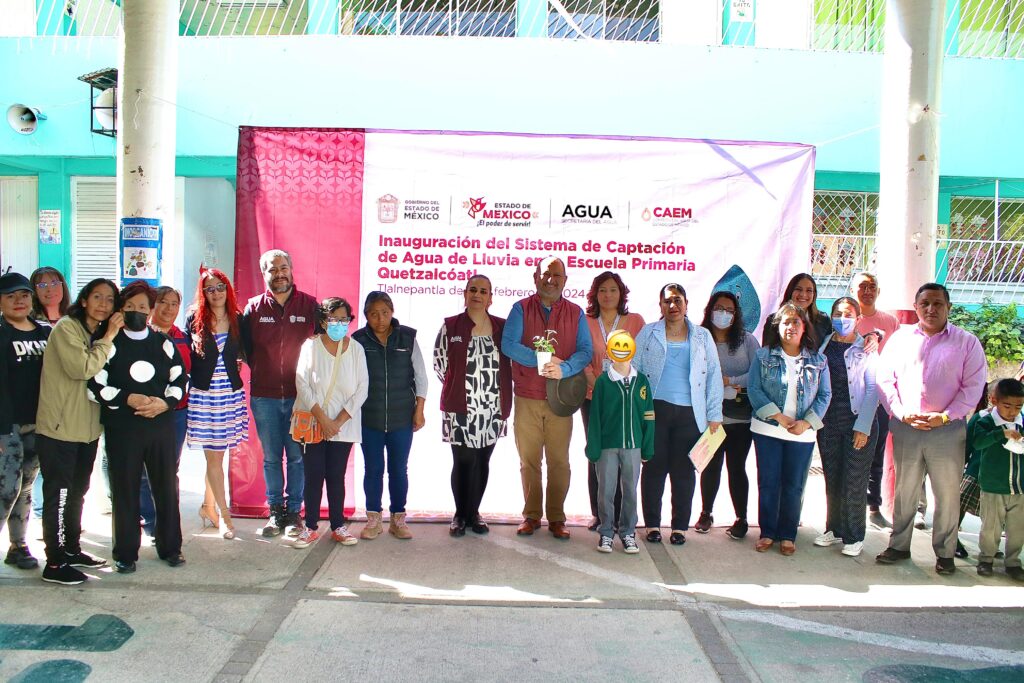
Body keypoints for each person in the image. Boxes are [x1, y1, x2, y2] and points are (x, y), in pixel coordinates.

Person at [875, 283, 987, 575]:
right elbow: (885, 380)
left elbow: (973, 387)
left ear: (948, 307)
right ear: (916, 307)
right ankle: (899, 546)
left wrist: (946, 416)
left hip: (947, 431)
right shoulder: (900, 339)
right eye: (924, 304)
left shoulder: (967, 342)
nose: (931, 309)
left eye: (938, 303)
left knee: (947, 494)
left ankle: (946, 553)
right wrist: (900, 412)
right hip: (907, 427)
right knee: (905, 491)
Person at [87, 281, 188, 573]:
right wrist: (127, 398)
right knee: (125, 490)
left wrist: (165, 404)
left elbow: (180, 380)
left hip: (160, 427)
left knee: (167, 488)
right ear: (120, 310)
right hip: (123, 428)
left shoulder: (162, 342)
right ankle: (125, 552)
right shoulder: (109, 343)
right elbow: (95, 385)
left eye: (142, 307)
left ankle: (170, 547)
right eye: (129, 307)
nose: (136, 312)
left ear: (150, 311)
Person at [35, 278, 122, 585]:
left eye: (110, 299)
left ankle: (71, 549)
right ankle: (55, 564)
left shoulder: (96, 332)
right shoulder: (67, 328)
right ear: (84, 300)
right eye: (97, 297)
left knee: (78, 493)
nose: (103, 303)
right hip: (59, 428)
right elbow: (82, 368)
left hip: (86, 429)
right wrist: (109, 335)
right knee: (57, 496)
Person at [501, 257, 593, 540]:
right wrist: (543, 359)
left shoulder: (576, 313)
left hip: (561, 400)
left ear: (565, 280)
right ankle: (531, 516)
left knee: (559, 462)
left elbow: (585, 351)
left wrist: (564, 368)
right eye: (545, 274)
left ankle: (556, 517)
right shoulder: (520, 309)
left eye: (556, 275)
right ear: (535, 277)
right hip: (527, 397)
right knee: (528, 461)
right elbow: (508, 345)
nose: (550, 279)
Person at [635, 284, 724, 546]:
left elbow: (714, 377)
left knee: (684, 472)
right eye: (666, 301)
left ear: (686, 304)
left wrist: (714, 414)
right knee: (653, 469)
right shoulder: (648, 333)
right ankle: (652, 524)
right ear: (660, 306)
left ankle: (679, 527)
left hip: (690, 414)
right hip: (655, 411)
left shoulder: (703, 336)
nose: (672, 306)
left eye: (677, 300)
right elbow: (635, 369)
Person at [241, 249, 317, 537]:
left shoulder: (310, 306)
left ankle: (295, 513)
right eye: (272, 270)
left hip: (301, 398)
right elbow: (246, 350)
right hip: (265, 397)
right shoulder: (253, 309)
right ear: (264, 274)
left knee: (297, 456)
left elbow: (322, 347)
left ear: (292, 269)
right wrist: (264, 370)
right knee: (272, 457)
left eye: (283, 267)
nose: (279, 274)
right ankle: (275, 513)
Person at [748, 302, 832, 555]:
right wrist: (779, 418)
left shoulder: (819, 360)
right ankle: (767, 532)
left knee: (794, 484)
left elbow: (825, 395)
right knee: (769, 482)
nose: (790, 327)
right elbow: (754, 389)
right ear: (778, 327)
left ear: (804, 327)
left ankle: (788, 534)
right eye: (785, 322)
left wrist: (806, 423)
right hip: (768, 430)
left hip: (802, 433)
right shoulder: (763, 356)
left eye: (796, 322)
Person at [434, 275, 513, 537]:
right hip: (460, 407)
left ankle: (474, 513)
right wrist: (464, 386)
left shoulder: (503, 328)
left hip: (492, 406)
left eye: (483, 291)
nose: (477, 294)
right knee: (463, 459)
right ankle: (459, 515)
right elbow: (440, 364)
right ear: (465, 294)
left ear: (491, 298)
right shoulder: (450, 326)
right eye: (473, 290)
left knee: (482, 460)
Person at [292, 297, 368, 549]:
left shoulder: (356, 349)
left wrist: (337, 421)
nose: (339, 324)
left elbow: (362, 388)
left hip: (343, 426)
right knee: (313, 475)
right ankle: (310, 526)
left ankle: (338, 525)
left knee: (336, 475)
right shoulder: (310, 346)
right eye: (333, 319)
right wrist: (323, 419)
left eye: (344, 319)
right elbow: (301, 382)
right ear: (323, 321)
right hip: (314, 423)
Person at [352, 291, 427, 541]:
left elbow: (421, 377)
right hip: (369, 418)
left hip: (401, 418)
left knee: (398, 469)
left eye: (384, 312)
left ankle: (398, 519)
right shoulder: (358, 340)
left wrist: (419, 409)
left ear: (392, 312)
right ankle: (373, 520)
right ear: (366, 316)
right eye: (374, 314)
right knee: (372, 469)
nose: (380, 319)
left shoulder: (407, 337)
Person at [812, 297, 879, 558]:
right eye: (838, 313)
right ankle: (834, 528)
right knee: (832, 476)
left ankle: (854, 535)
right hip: (828, 422)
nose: (843, 318)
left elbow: (873, 389)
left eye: (848, 313)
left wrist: (863, 427)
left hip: (857, 421)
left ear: (859, 318)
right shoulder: (824, 346)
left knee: (854, 480)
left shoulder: (867, 348)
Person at [186, 268, 248, 540]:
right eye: (209, 289)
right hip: (205, 395)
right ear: (203, 293)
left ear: (228, 289)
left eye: (220, 287)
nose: (216, 293)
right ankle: (224, 515)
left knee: (218, 457)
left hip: (230, 394)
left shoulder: (238, 318)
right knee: (213, 457)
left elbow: (248, 351)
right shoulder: (194, 318)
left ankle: (206, 507)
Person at [581, 271, 645, 532]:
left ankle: (621, 515)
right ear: (595, 294)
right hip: (593, 397)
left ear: (622, 294)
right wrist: (598, 384)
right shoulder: (584, 321)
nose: (608, 295)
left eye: (613, 290)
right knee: (597, 453)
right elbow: (582, 356)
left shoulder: (635, 321)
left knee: (623, 455)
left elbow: (640, 358)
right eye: (602, 290)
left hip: (626, 399)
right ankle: (600, 514)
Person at [696, 291, 759, 539]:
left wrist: (729, 381)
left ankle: (741, 518)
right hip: (711, 418)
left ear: (736, 315)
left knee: (736, 467)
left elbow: (757, 374)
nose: (723, 314)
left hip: (740, 419)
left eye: (729, 310)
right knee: (710, 466)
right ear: (710, 310)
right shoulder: (700, 339)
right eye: (719, 308)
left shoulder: (747, 340)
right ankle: (705, 513)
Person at [586, 330, 654, 554]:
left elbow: (648, 415)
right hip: (607, 447)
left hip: (633, 446)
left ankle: (628, 533)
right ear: (609, 350)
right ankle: (606, 532)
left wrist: (647, 446)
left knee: (630, 492)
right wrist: (593, 447)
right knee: (605, 490)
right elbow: (594, 417)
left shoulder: (642, 381)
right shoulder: (604, 382)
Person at [0, 273, 51, 570]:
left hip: (39, 424)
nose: (19, 301)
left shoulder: (45, 332)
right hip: (7, 427)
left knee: (27, 488)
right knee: (6, 489)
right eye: (10, 296)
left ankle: (18, 546)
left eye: (24, 295)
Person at [850, 271, 901, 530]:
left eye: (872, 286)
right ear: (853, 289)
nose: (867, 291)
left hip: (879, 398)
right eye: (862, 286)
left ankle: (873, 506)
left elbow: (900, 357)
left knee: (876, 452)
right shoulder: (847, 319)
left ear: (878, 291)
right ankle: (848, 506)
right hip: (849, 398)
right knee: (849, 451)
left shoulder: (890, 322)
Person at [972, 378, 1024, 581]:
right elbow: (977, 443)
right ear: (995, 401)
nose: (1012, 411)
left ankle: (1013, 563)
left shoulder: (1022, 422)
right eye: (1007, 406)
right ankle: (986, 559)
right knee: (990, 528)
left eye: (1018, 406)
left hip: (1020, 488)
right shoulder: (985, 420)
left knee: (1018, 529)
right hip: (993, 486)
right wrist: (1000, 434)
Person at [28, 266, 70, 520]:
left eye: (54, 283)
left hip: (72, 401)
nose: (50, 289)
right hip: (41, 400)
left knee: (67, 463)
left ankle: (64, 514)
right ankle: (45, 514)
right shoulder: (31, 323)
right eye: (42, 285)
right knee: (43, 461)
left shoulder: (74, 318)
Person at [762, 273, 832, 346]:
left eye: (809, 290)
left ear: (814, 294)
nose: (803, 294)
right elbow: (766, 353)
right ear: (790, 291)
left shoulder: (824, 320)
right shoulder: (773, 321)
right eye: (798, 289)